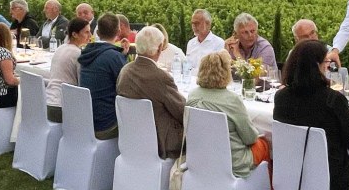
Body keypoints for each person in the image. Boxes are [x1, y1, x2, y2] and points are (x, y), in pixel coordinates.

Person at [274, 40, 349, 190]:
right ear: (317, 65)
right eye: (327, 61)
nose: (328, 66)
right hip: (331, 180)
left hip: (292, 174)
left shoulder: (281, 97)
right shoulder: (333, 100)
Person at [187, 51, 271, 178]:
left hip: (201, 158)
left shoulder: (193, 95)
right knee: (265, 144)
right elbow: (250, 138)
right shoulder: (232, 100)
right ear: (226, 72)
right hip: (234, 163)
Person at [117, 26, 185, 159]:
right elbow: (182, 111)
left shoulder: (125, 71)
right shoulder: (160, 77)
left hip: (130, 138)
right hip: (159, 143)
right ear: (160, 48)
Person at [78, 12, 130, 140]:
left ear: (98, 32)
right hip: (106, 124)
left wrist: (121, 55)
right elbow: (128, 85)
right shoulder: (113, 57)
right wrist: (122, 57)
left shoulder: (88, 52)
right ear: (118, 31)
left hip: (86, 120)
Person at [45, 18, 91, 123]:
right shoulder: (78, 54)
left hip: (49, 101)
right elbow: (82, 83)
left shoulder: (60, 49)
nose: (90, 35)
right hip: (63, 106)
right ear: (75, 34)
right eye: (86, 32)